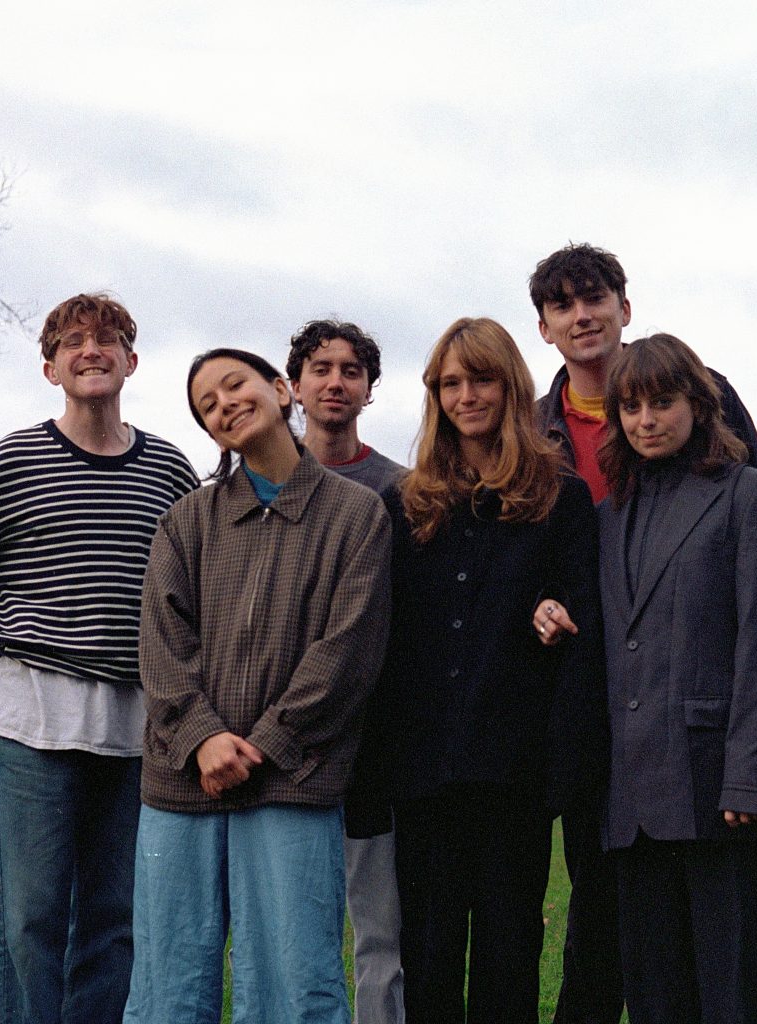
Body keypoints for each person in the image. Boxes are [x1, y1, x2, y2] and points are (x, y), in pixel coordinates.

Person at [0, 294, 199, 1024]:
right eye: (72, 342)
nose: (90, 351)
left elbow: (193, 589)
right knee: (29, 923)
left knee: (114, 921)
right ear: (50, 367)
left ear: (132, 361)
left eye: (107, 340)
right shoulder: (12, 460)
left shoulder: (169, 469)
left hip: (135, 724)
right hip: (31, 722)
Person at [528, 243, 757, 1024]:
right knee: (620, 951)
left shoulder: (732, 465)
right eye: (563, 304)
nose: (582, 314)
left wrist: (752, 770)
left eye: (594, 296)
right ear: (544, 327)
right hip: (611, 742)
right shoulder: (538, 440)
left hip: (701, 738)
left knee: (723, 972)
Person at [122, 348, 391, 1024]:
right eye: (208, 405)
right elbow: (160, 644)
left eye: (234, 385)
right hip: (182, 783)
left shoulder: (357, 515)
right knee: (167, 982)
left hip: (293, 779)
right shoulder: (186, 521)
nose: (225, 404)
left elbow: (348, 650)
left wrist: (266, 741)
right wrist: (203, 737)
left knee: (294, 984)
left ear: (280, 390)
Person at [354, 318, 604, 1024]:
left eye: (482, 379)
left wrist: (555, 616)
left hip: (514, 774)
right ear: (435, 395)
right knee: (427, 957)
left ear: (511, 385)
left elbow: (583, 633)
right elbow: (383, 645)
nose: (468, 395)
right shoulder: (403, 504)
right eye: (451, 383)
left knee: (508, 953)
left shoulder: (560, 498)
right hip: (422, 771)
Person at [287, 319, 406, 1024]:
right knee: (292, 937)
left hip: (375, 753)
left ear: (368, 388)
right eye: (321, 367)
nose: (336, 381)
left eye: (352, 370)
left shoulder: (403, 489)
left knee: (381, 937)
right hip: (282, 750)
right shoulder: (254, 484)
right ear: (294, 383)